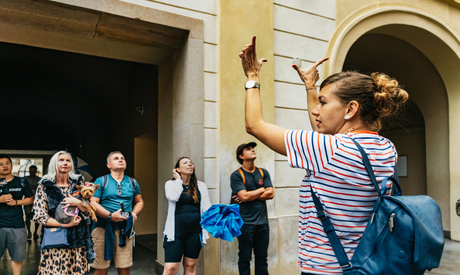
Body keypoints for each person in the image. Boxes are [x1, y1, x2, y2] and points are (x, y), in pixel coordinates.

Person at [238, 36, 409, 275]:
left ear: (350, 109)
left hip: (325, 268)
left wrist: (252, 78)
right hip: (367, 263)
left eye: (324, 103)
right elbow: (323, 129)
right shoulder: (387, 148)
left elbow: (254, 125)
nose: (317, 111)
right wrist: (311, 88)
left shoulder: (328, 149)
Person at [32, 151, 92, 275]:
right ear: (54, 163)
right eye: (61, 160)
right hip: (55, 241)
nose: (65, 163)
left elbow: (88, 213)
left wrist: (79, 203)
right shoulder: (45, 185)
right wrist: (65, 225)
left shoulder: (79, 184)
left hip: (77, 241)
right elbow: (39, 215)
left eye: (68, 160)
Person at [90, 151, 144, 275]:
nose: (120, 160)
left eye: (122, 158)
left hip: (125, 229)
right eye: (116, 158)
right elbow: (93, 203)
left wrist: (134, 214)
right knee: (101, 267)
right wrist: (110, 215)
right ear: (109, 165)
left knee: (124, 266)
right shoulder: (101, 180)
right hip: (102, 227)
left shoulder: (132, 182)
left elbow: (139, 201)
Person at [0, 155, 34, 275]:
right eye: (1, 164)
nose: (5, 166)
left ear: (11, 165)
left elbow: (30, 199)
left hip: (17, 226)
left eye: (8, 163)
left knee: (17, 258)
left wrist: (16, 202)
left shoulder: (21, 181)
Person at [163, 157, 212, 275]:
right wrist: (179, 180)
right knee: (170, 268)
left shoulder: (201, 186)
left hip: (195, 232)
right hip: (175, 233)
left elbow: (206, 207)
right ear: (177, 169)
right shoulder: (171, 184)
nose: (189, 164)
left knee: (190, 267)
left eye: (191, 163)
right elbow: (173, 197)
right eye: (185, 163)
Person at [230, 142, 274, 275]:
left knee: (262, 259)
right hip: (245, 224)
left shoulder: (263, 172)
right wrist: (261, 190)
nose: (252, 150)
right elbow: (244, 197)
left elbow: (270, 194)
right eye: (248, 149)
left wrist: (249, 195)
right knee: (244, 258)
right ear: (241, 156)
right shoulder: (236, 175)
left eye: (253, 148)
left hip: (263, 224)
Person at [25, 165, 41, 240]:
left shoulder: (39, 179)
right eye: (31, 170)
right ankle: (29, 232)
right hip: (27, 199)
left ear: (36, 171)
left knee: (37, 217)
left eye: (33, 170)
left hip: (37, 200)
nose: (32, 172)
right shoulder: (25, 179)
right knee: (28, 216)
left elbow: (41, 188)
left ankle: (35, 232)